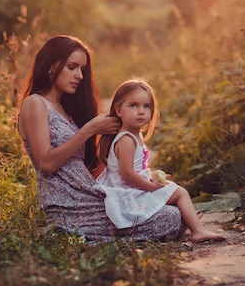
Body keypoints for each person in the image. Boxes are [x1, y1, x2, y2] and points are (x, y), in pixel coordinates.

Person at [17, 35, 186, 243]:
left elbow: (93, 167)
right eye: (72, 67)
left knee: (172, 207)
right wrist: (90, 129)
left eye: (82, 70)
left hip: (90, 197)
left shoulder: (66, 111)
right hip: (68, 205)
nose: (79, 75)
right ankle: (69, 231)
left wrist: (142, 180)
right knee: (171, 217)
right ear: (51, 66)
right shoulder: (35, 104)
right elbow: (46, 164)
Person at [97, 79, 226, 242]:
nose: (141, 111)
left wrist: (152, 177)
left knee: (172, 193)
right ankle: (198, 230)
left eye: (146, 106)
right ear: (119, 110)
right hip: (127, 194)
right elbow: (127, 174)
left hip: (133, 188)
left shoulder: (135, 135)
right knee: (180, 193)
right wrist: (151, 186)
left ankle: (189, 221)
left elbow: (135, 171)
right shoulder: (126, 140)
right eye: (133, 105)